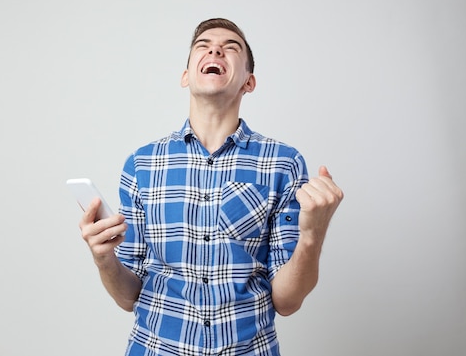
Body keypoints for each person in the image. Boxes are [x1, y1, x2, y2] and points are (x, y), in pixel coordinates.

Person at [79, 18, 344, 355]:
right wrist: (104, 259)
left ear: (249, 82)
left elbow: (287, 301)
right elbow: (127, 296)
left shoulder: (284, 163)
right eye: (203, 46)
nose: (215, 48)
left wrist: (312, 234)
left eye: (231, 47)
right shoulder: (141, 164)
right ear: (186, 75)